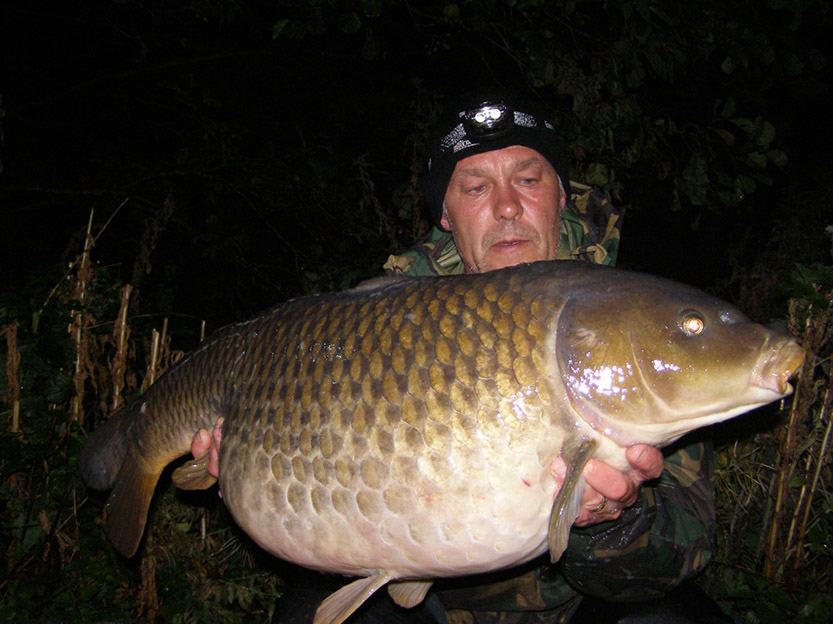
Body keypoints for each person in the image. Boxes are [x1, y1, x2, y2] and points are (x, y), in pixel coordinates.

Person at [189, 89, 732, 624]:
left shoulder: (628, 323)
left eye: (528, 179)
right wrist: (247, 454)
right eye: (475, 187)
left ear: (562, 195)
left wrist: (608, 521)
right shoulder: (377, 324)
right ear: (445, 215)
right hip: (436, 610)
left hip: (579, 605)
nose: (507, 206)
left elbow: (680, 556)